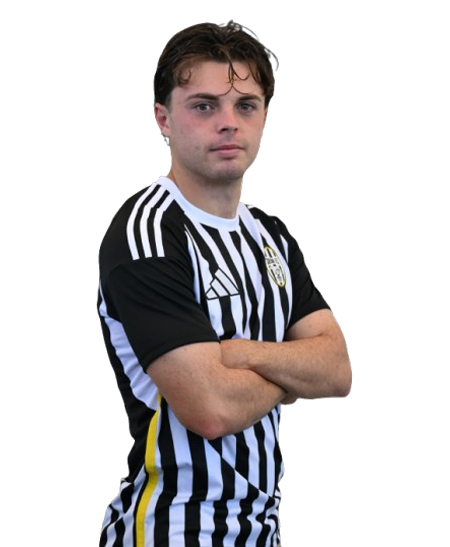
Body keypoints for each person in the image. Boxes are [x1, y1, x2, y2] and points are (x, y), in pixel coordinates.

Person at [97, 21, 351, 547]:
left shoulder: (271, 237)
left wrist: (239, 354)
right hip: (172, 529)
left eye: (246, 105)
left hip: (261, 531)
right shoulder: (148, 233)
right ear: (163, 118)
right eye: (204, 106)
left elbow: (336, 368)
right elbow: (210, 409)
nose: (229, 122)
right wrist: (291, 376)